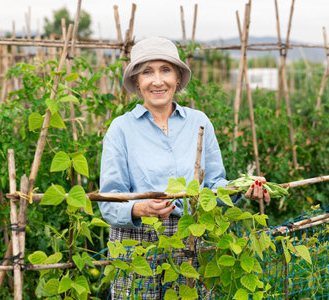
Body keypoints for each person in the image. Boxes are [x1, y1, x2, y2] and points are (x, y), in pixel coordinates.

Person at [98, 37, 270, 299]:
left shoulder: (198, 122)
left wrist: (242, 187)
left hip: (191, 236)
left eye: (165, 70)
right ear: (136, 81)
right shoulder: (120, 129)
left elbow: (214, 185)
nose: (157, 81)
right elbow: (108, 201)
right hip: (137, 245)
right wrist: (139, 208)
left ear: (178, 77)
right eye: (147, 72)